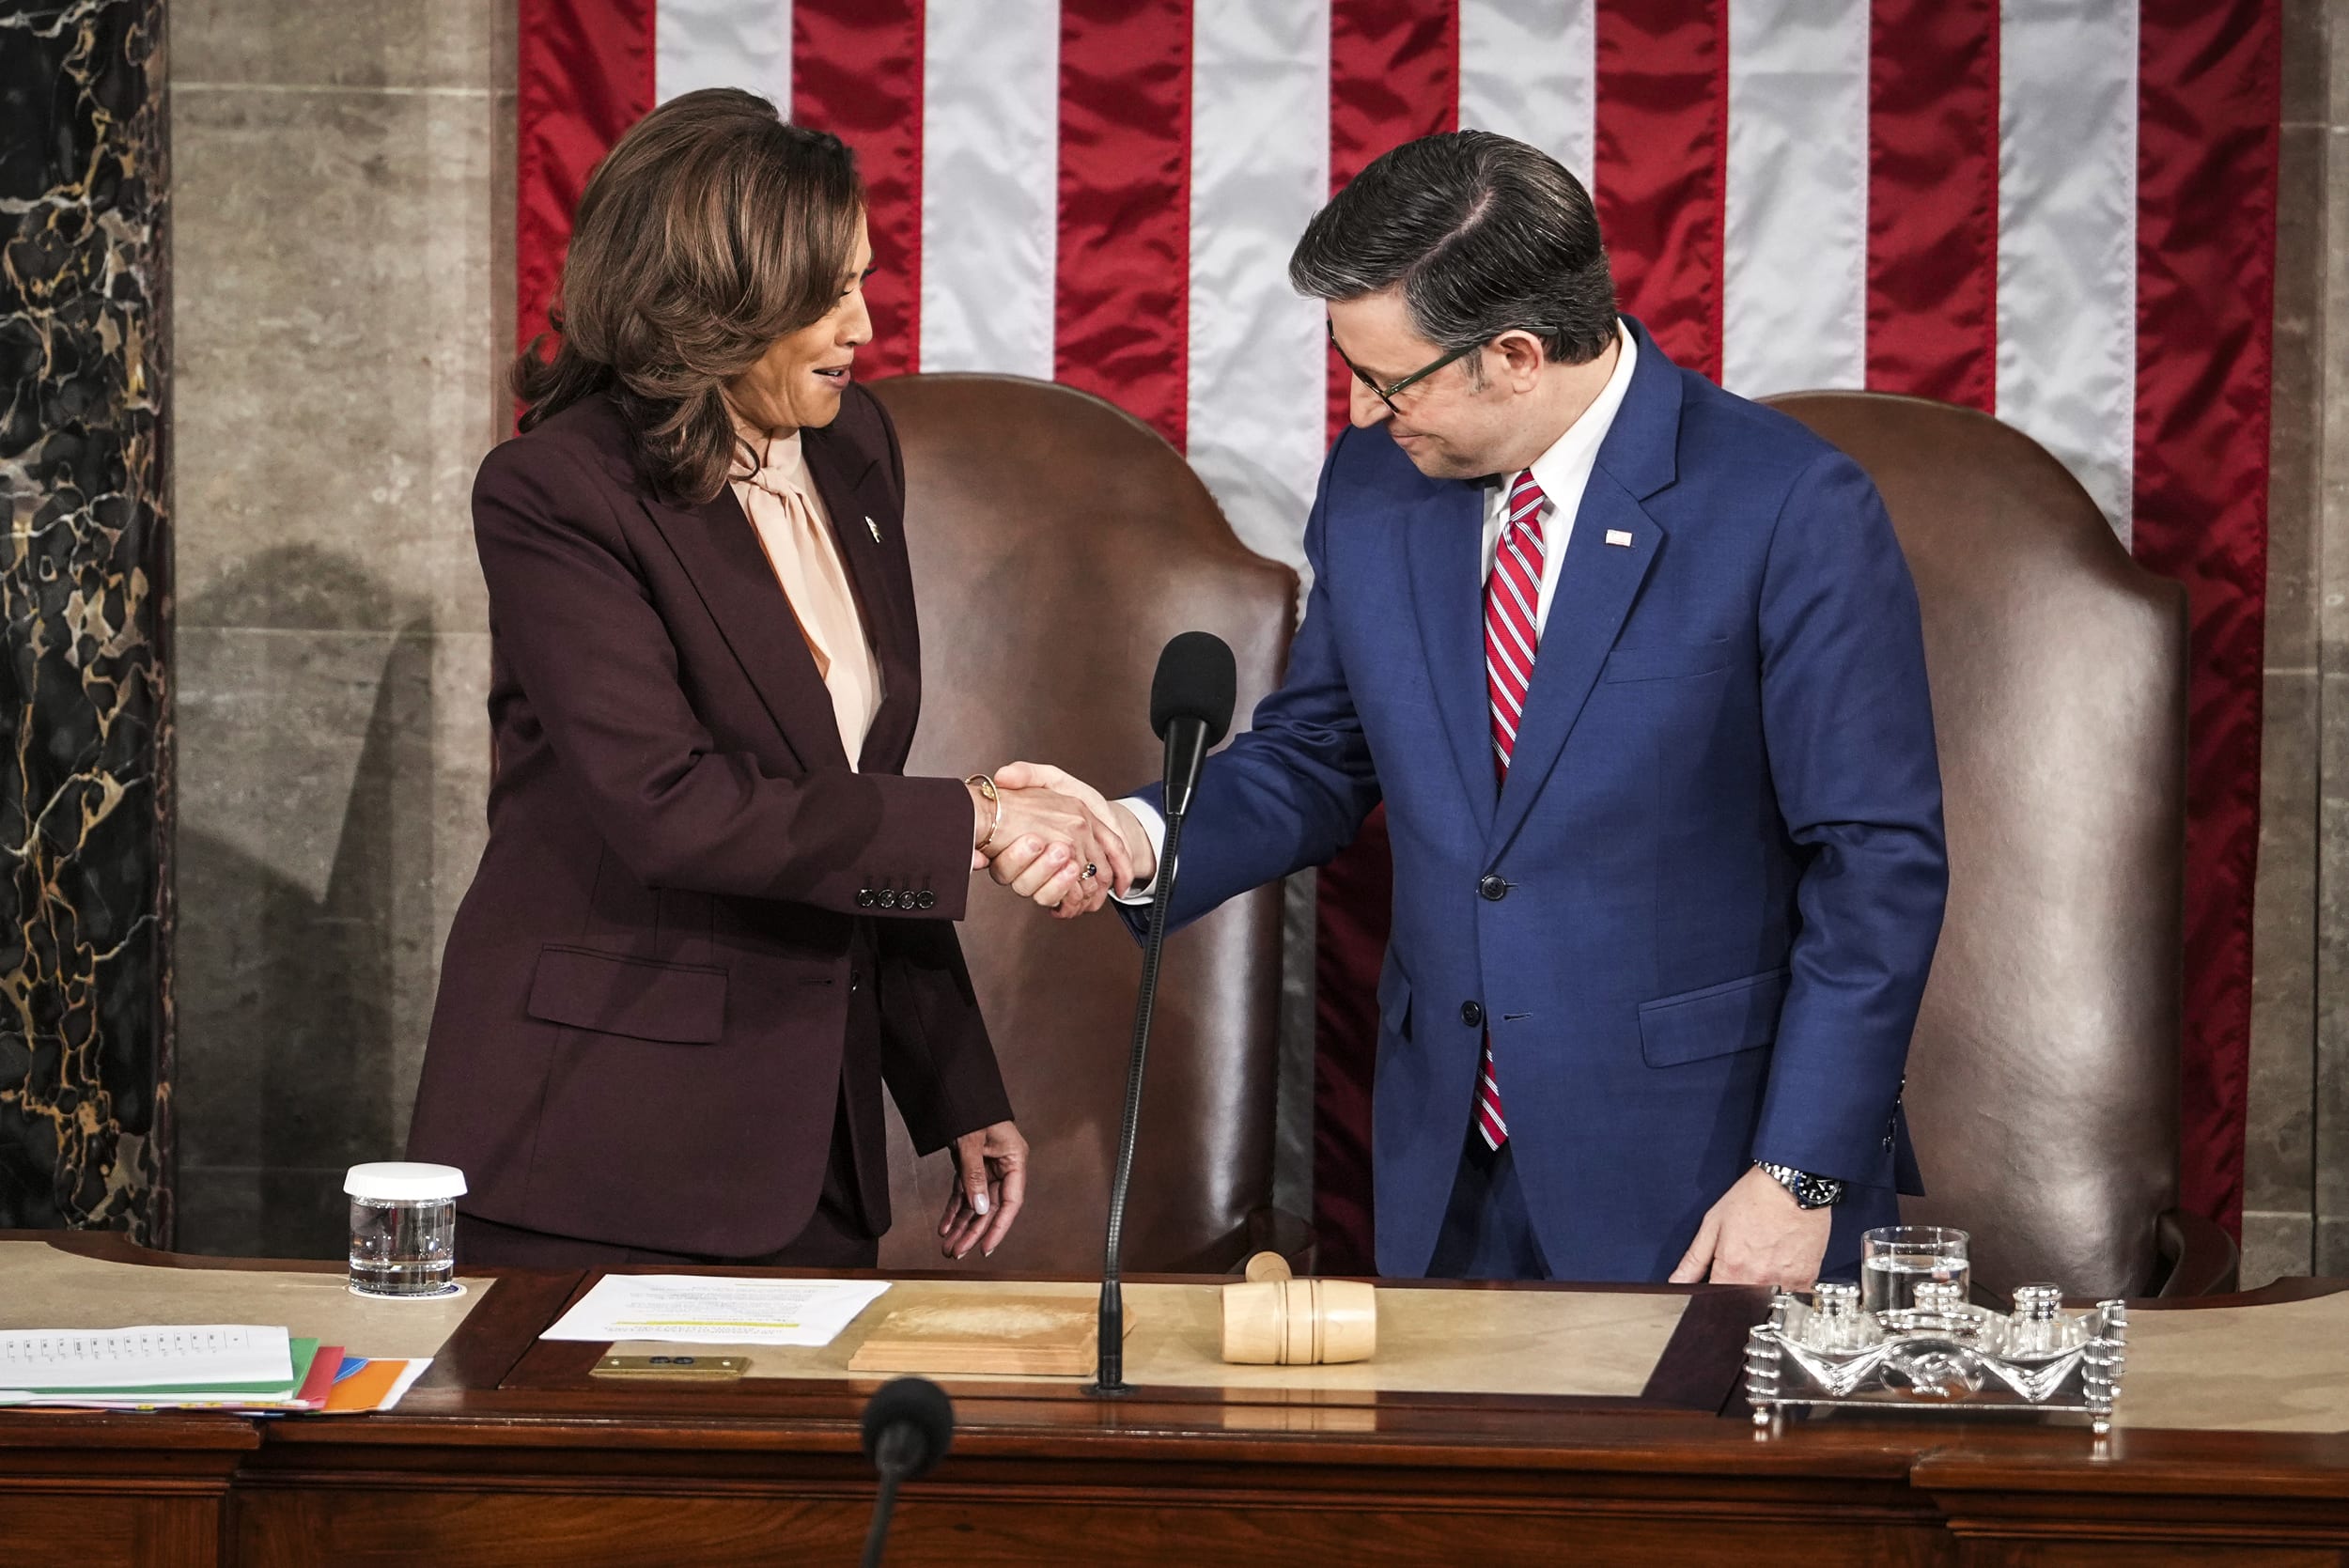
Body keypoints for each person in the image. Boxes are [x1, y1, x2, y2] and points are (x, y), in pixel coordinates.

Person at [995, 131, 1946, 1287]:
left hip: (1705, 1175)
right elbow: (1321, 752)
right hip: (1447, 1157)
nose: (1356, 414)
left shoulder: (1787, 505)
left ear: (1513, 354)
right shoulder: (1380, 481)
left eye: (1386, 380)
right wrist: (1133, 832)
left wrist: (1800, 1175)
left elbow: (1875, 865)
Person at [407, 90, 1132, 1271]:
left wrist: (947, 1075)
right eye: (827, 293)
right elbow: (673, 807)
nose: (863, 321)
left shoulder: (852, 447)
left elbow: (842, 791)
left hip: (811, 1155)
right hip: (604, 1141)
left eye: (861, 279)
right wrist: (987, 818)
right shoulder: (557, 492)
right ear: (714, 300)